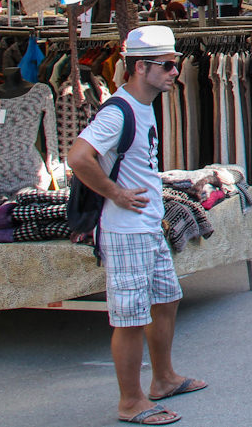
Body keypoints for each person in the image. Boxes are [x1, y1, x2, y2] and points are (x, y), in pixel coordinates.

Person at [66, 25, 205, 426]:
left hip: (145, 225)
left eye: (175, 64)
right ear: (141, 67)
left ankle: (163, 378)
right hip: (125, 228)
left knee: (166, 298)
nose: (175, 72)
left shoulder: (141, 106)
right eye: (167, 65)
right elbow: (79, 157)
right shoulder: (119, 110)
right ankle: (131, 401)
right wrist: (116, 193)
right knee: (130, 318)